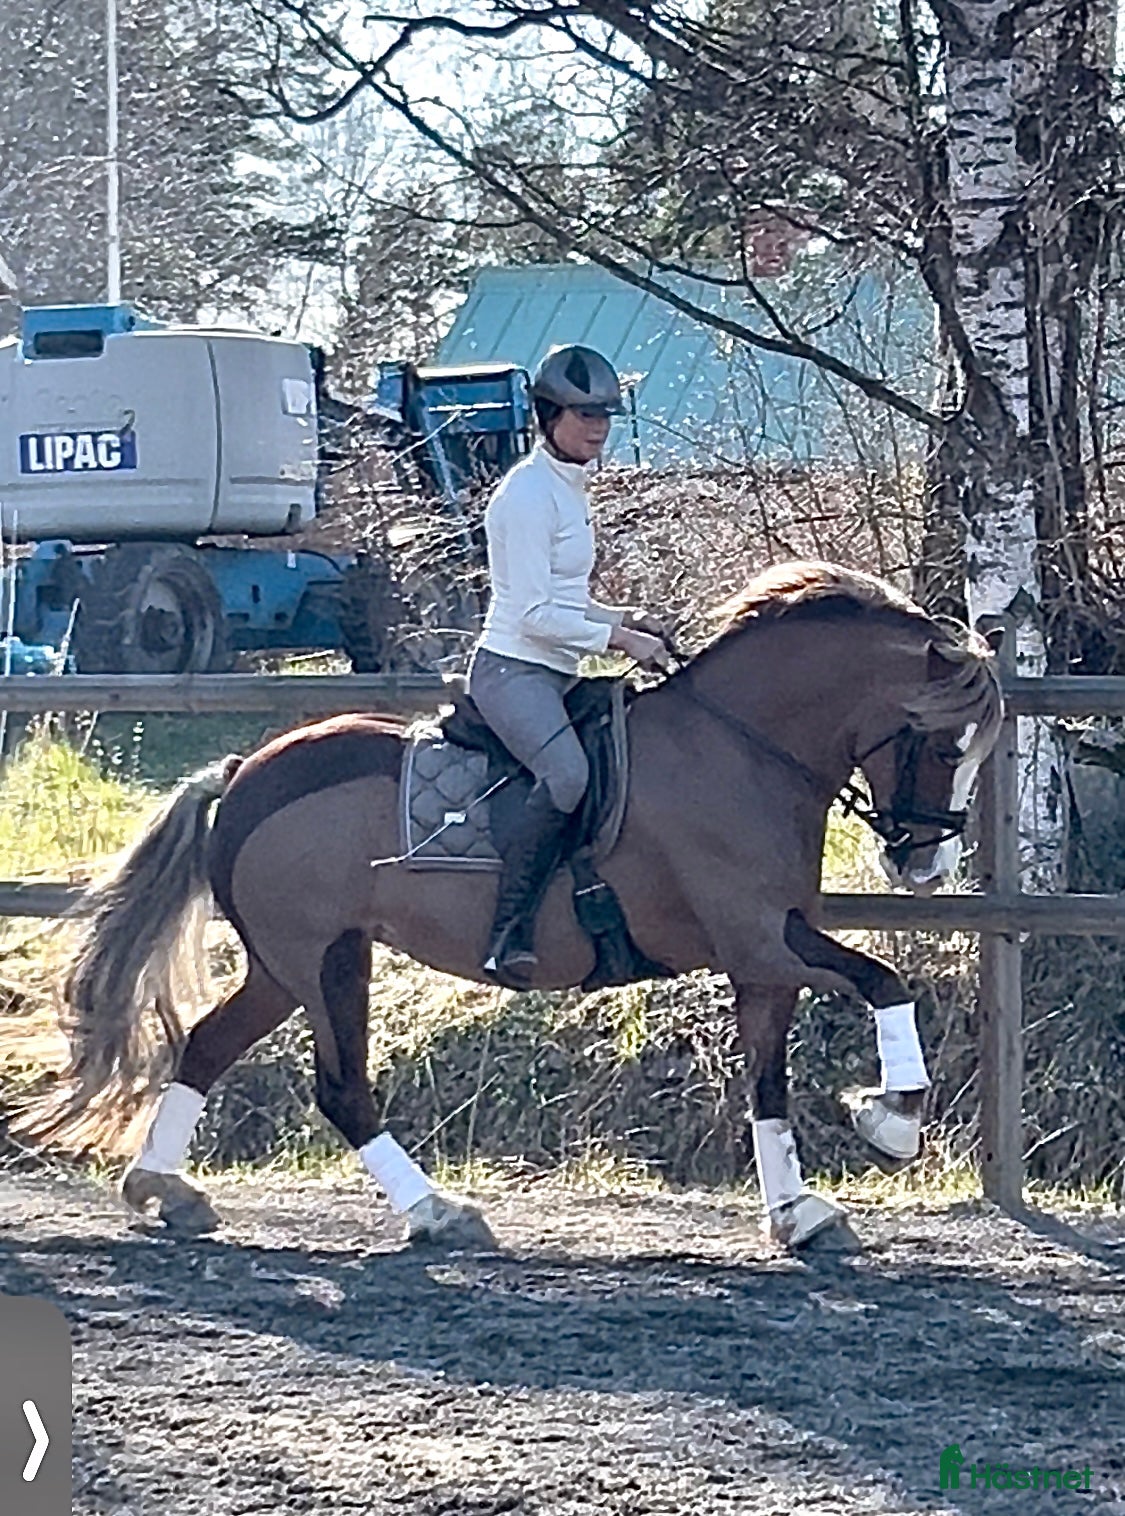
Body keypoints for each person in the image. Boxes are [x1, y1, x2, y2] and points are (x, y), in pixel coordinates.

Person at [468, 343, 668, 988]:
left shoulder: (566, 490)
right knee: (567, 774)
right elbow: (531, 615)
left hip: (554, 670)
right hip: (513, 671)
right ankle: (508, 931)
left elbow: (566, 599)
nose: (598, 428)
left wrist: (625, 617)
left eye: (605, 415)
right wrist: (619, 643)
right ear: (548, 417)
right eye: (584, 416)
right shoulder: (526, 497)